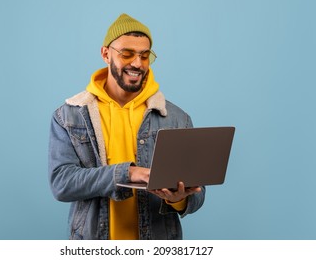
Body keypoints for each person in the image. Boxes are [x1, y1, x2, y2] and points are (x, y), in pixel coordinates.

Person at [48, 13, 206, 240]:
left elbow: (198, 195)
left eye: (144, 55)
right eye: (127, 54)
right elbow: (62, 183)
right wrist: (128, 173)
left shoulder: (176, 118)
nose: (137, 63)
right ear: (105, 54)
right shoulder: (70, 115)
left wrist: (178, 199)